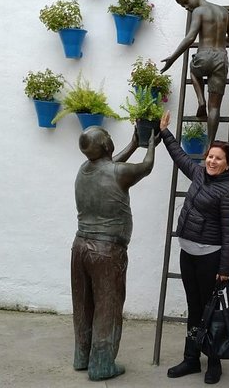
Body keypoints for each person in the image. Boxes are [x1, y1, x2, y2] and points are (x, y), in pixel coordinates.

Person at [158, 110, 229, 384]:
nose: (212, 161)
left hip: (209, 259)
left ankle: (214, 362)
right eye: (210, 156)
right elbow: (180, 157)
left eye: (218, 158)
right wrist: (165, 132)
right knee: (194, 307)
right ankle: (192, 358)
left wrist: (225, 269)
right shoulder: (199, 174)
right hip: (187, 254)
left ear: (228, 165)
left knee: (210, 311)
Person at [71, 127, 156, 381]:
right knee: (107, 306)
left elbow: (110, 165)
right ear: (107, 144)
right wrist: (150, 143)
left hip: (80, 247)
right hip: (107, 252)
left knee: (84, 304)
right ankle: (102, 364)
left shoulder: (84, 170)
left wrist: (131, 144)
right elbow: (146, 166)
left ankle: (82, 356)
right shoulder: (118, 172)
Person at [160, 0, 229, 148]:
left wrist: (172, 58)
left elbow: (190, 38)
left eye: (186, 2)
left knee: (193, 69)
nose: (187, 7)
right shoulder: (224, 12)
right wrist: (217, 40)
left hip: (204, 56)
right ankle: (210, 146)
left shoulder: (199, 11)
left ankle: (200, 100)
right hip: (221, 58)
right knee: (215, 107)